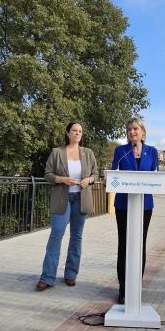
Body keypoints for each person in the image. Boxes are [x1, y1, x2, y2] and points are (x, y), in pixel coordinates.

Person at [36, 121, 98, 291]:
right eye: (74, 130)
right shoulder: (57, 152)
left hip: (81, 198)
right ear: (67, 133)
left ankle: (71, 274)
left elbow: (95, 173)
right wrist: (62, 179)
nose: (77, 133)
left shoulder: (88, 153)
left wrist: (88, 180)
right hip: (62, 199)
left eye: (80, 131)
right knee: (56, 235)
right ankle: (47, 277)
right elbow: (47, 174)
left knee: (76, 237)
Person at [111, 117, 159, 305]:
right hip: (123, 204)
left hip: (145, 204)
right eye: (129, 129)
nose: (132, 132)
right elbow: (114, 173)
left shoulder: (152, 152)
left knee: (140, 244)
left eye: (136, 129)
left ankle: (136, 286)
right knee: (124, 244)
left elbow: (156, 176)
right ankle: (123, 289)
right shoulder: (121, 151)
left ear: (143, 132)